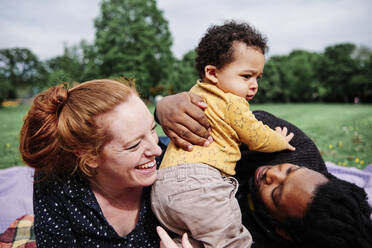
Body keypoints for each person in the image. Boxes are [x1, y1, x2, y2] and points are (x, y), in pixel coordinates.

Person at [156, 93, 372, 248]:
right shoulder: (295, 149)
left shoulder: (255, 239)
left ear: (283, 232)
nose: (271, 174)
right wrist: (164, 108)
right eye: (290, 170)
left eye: (277, 193)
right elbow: (219, 110)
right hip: (187, 149)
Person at [151, 21, 294, 247]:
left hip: (162, 190)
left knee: (199, 239)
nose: (254, 85)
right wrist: (280, 140)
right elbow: (255, 135)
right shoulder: (232, 102)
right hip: (201, 185)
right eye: (246, 76)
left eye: (258, 77)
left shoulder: (193, 94)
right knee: (234, 241)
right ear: (213, 73)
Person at [19, 79, 165, 247]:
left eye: (152, 130)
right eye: (134, 145)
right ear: (89, 156)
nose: (156, 150)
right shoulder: (55, 181)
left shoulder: (171, 168)